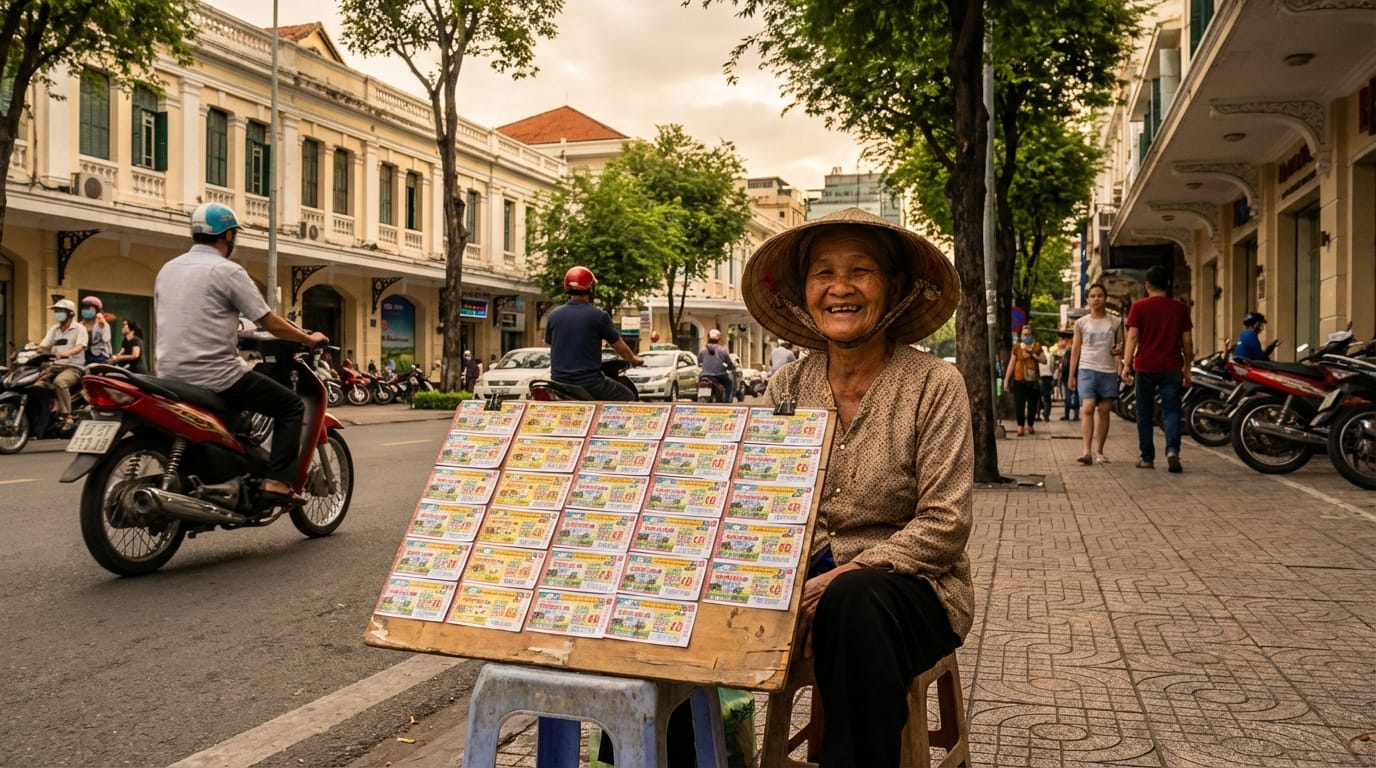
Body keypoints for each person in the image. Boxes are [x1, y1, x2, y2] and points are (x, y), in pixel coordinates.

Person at [744, 207, 972, 768]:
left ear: (893, 288)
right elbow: (758, 500)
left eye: (860, 271)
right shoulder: (787, 385)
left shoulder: (933, 384)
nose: (840, 288)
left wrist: (842, 575)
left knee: (853, 602)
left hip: (912, 592)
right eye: (823, 273)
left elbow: (945, 524)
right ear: (805, 291)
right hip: (801, 586)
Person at [154, 203, 327, 506]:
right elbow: (269, 321)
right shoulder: (227, 270)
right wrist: (308, 339)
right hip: (215, 377)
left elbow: (194, 319)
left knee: (241, 413)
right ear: (228, 235)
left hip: (168, 375)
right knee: (290, 406)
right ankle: (277, 482)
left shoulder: (167, 269)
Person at [1121, 265, 1193, 473]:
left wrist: (1126, 364)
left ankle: (1147, 458)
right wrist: (1188, 367)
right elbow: (1187, 341)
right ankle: (1172, 450)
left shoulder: (1139, 307)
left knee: (1144, 413)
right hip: (1171, 366)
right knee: (1171, 410)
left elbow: (1133, 337)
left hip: (1145, 367)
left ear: (1147, 285)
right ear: (1168, 285)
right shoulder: (1179, 308)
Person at [543, 265, 642, 401]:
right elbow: (618, 345)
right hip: (589, 383)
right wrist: (633, 359)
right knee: (627, 396)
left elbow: (550, 342)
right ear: (591, 288)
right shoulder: (598, 316)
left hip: (558, 382)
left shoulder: (554, 315)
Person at [1069, 284, 1125, 465]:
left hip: (1107, 371)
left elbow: (1121, 346)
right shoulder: (1081, 323)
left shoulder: (1115, 322)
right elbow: (1075, 349)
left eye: (1100, 296)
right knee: (1087, 408)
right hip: (1086, 369)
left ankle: (1099, 450)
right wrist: (1072, 374)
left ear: (1105, 298)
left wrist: (1119, 351)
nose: (1096, 299)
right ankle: (1086, 451)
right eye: (1092, 296)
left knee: (1104, 411)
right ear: (1087, 299)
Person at [36, 299, 89, 428]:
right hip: (55, 366)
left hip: (74, 367)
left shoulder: (79, 328)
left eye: (60, 311)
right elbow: (44, 345)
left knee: (60, 382)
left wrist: (66, 353)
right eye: (56, 311)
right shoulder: (54, 329)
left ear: (70, 313)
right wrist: (32, 348)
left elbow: (80, 346)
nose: (57, 314)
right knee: (36, 384)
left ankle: (67, 416)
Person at [1003, 324, 1046, 436]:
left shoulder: (1036, 346)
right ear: (1021, 335)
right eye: (1025, 334)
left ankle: (1030, 425)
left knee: (1032, 405)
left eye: (1028, 334)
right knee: (1019, 404)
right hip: (1019, 381)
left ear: (1032, 335)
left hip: (1033, 382)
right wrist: (1006, 380)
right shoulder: (1017, 348)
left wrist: (1035, 356)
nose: (1027, 336)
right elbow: (1011, 365)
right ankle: (1020, 427)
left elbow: (1044, 360)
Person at [697, 328, 735, 401]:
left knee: (699, 381)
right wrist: (730, 367)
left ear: (708, 338)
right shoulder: (722, 349)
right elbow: (728, 362)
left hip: (705, 375)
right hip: (719, 375)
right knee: (729, 383)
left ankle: (699, 396)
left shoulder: (702, 350)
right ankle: (727, 400)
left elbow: (699, 362)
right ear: (718, 339)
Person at [78, 295, 113, 365]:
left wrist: (102, 326)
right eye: (84, 308)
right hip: (84, 356)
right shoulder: (79, 325)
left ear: (96, 310)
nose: (85, 310)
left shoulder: (102, 324)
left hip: (100, 357)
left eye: (88, 308)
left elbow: (107, 339)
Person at [1054, 330, 1079, 420]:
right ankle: (1067, 414)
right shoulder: (1066, 351)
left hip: (1072, 376)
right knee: (1068, 395)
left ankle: (1075, 414)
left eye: (1061, 340)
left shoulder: (1072, 350)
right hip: (1066, 376)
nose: (1059, 342)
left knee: (1073, 395)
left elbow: (1072, 364)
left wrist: (1072, 377)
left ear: (1067, 340)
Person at [1038, 340, 1057, 422]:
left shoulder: (1038, 356)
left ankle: (1038, 414)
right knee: (1047, 397)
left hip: (1040, 377)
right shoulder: (1050, 356)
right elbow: (1052, 367)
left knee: (1038, 397)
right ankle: (1046, 414)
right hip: (1048, 377)